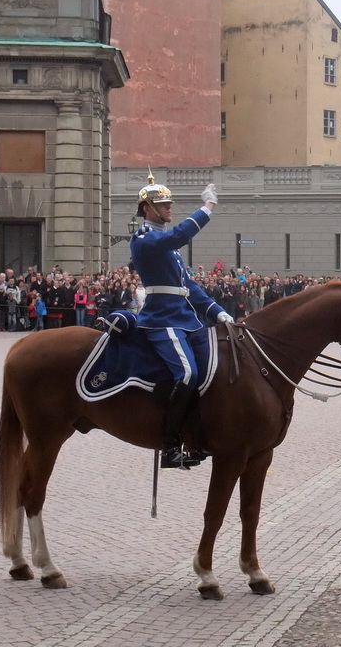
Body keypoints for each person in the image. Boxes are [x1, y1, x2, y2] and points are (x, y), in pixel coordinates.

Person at [130, 172, 234, 469]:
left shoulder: (167, 247)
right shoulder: (145, 240)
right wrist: (207, 208)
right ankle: (170, 445)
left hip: (185, 318)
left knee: (208, 372)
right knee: (186, 374)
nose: (169, 208)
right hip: (161, 319)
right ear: (147, 209)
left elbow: (189, 287)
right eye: (163, 204)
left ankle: (197, 437)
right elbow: (179, 234)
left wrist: (218, 312)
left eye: (170, 203)